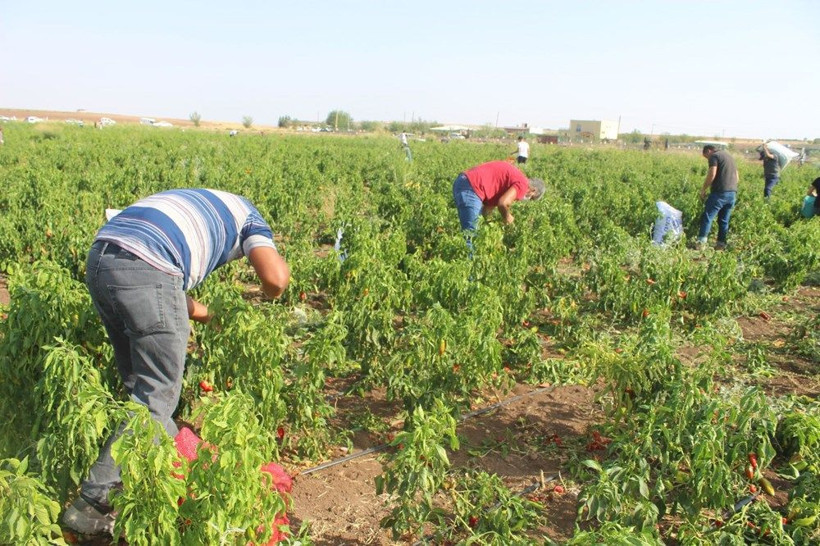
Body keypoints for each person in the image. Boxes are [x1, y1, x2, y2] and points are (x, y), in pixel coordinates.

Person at [62, 189, 290, 534]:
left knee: (140, 390)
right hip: (148, 268)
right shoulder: (250, 219)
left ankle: (166, 476)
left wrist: (210, 316)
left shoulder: (194, 204)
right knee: (157, 397)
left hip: (102, 260)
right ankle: (92, 505)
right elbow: (275, 280)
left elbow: (159, 287)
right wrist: (268, 297)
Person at [452, 160, 545, 237]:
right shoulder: (523, 184)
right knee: (472, 235)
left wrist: (491, 227)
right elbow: (503, 203)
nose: (526, 199)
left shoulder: (509, 183)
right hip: (471, 186)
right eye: (531, 198)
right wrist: (507, 218)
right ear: (533, 191)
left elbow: (487, 211)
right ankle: (469, 258)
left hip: (464, 182)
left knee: (477, 230)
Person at [695, 145, 738, 250]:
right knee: (724, 220)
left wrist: (703, 189)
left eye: (706, 157)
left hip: (719, 193)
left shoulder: (714, 156)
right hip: (732, 193)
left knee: (707, 217)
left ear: (709, 151)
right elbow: (737, 176)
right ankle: (721, 244)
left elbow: (712, 173)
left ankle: (701, 244)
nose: (708, 159)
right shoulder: (729, 156)